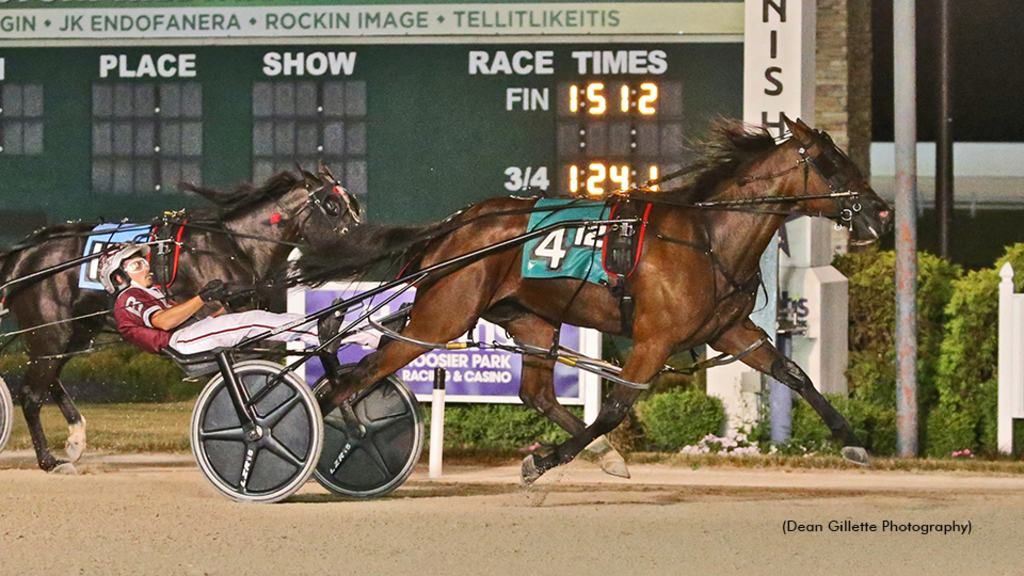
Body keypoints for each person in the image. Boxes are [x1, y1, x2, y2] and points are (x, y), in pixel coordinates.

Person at [98, 242, 375, 356]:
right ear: (119, 278)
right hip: (178, 342)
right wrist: (202, 296)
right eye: (136, 266)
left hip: (188, 335)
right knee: (257, 321)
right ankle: (347, 334)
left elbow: (187, 320)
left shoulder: (146, 293)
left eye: (142, 262)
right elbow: (164, 322)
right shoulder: (129, 297)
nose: (146, 266)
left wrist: (221, 305)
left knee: (268, 320)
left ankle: (353, 332)